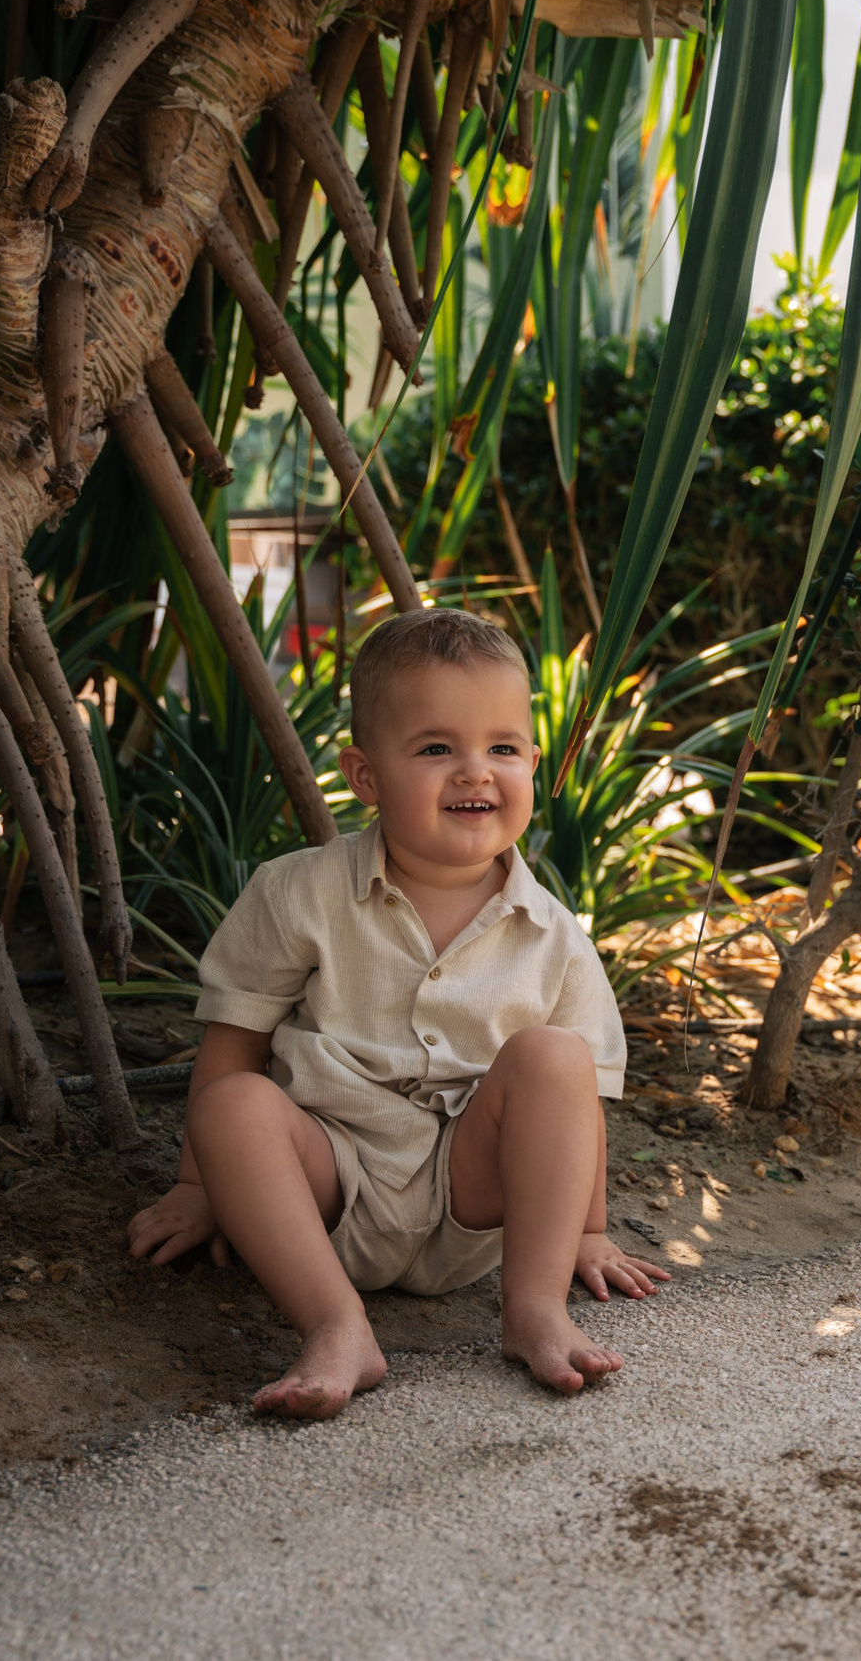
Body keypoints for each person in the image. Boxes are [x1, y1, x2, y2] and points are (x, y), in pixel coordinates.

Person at [126, 607, 669, 1417]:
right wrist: (201, 1184)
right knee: (232, 1104)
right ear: (366, 775)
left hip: (473, 1198)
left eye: (503, 748)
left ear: (532, 762)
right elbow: (234, 1043)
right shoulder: (297, 891)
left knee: (555, 1057)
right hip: (330, 1186)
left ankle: (532, 1310)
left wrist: (586, 1233)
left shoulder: (555, 935)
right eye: (437, 748)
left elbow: (576, 1107)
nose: (475, 772)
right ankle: (337, 1324)